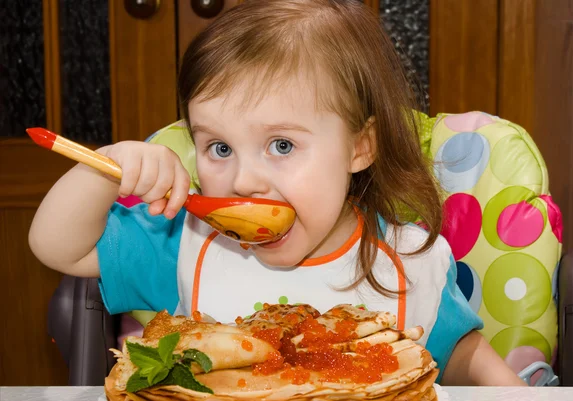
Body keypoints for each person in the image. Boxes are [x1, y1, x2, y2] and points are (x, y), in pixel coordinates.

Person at [29, 0, 525, 386]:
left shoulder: (406, 261)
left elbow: (460, 354)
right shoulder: (185, 243)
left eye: (282, 145)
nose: (244, 180)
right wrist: (106, 171)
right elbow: (57, 247)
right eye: (219, 147)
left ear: (359, 147)